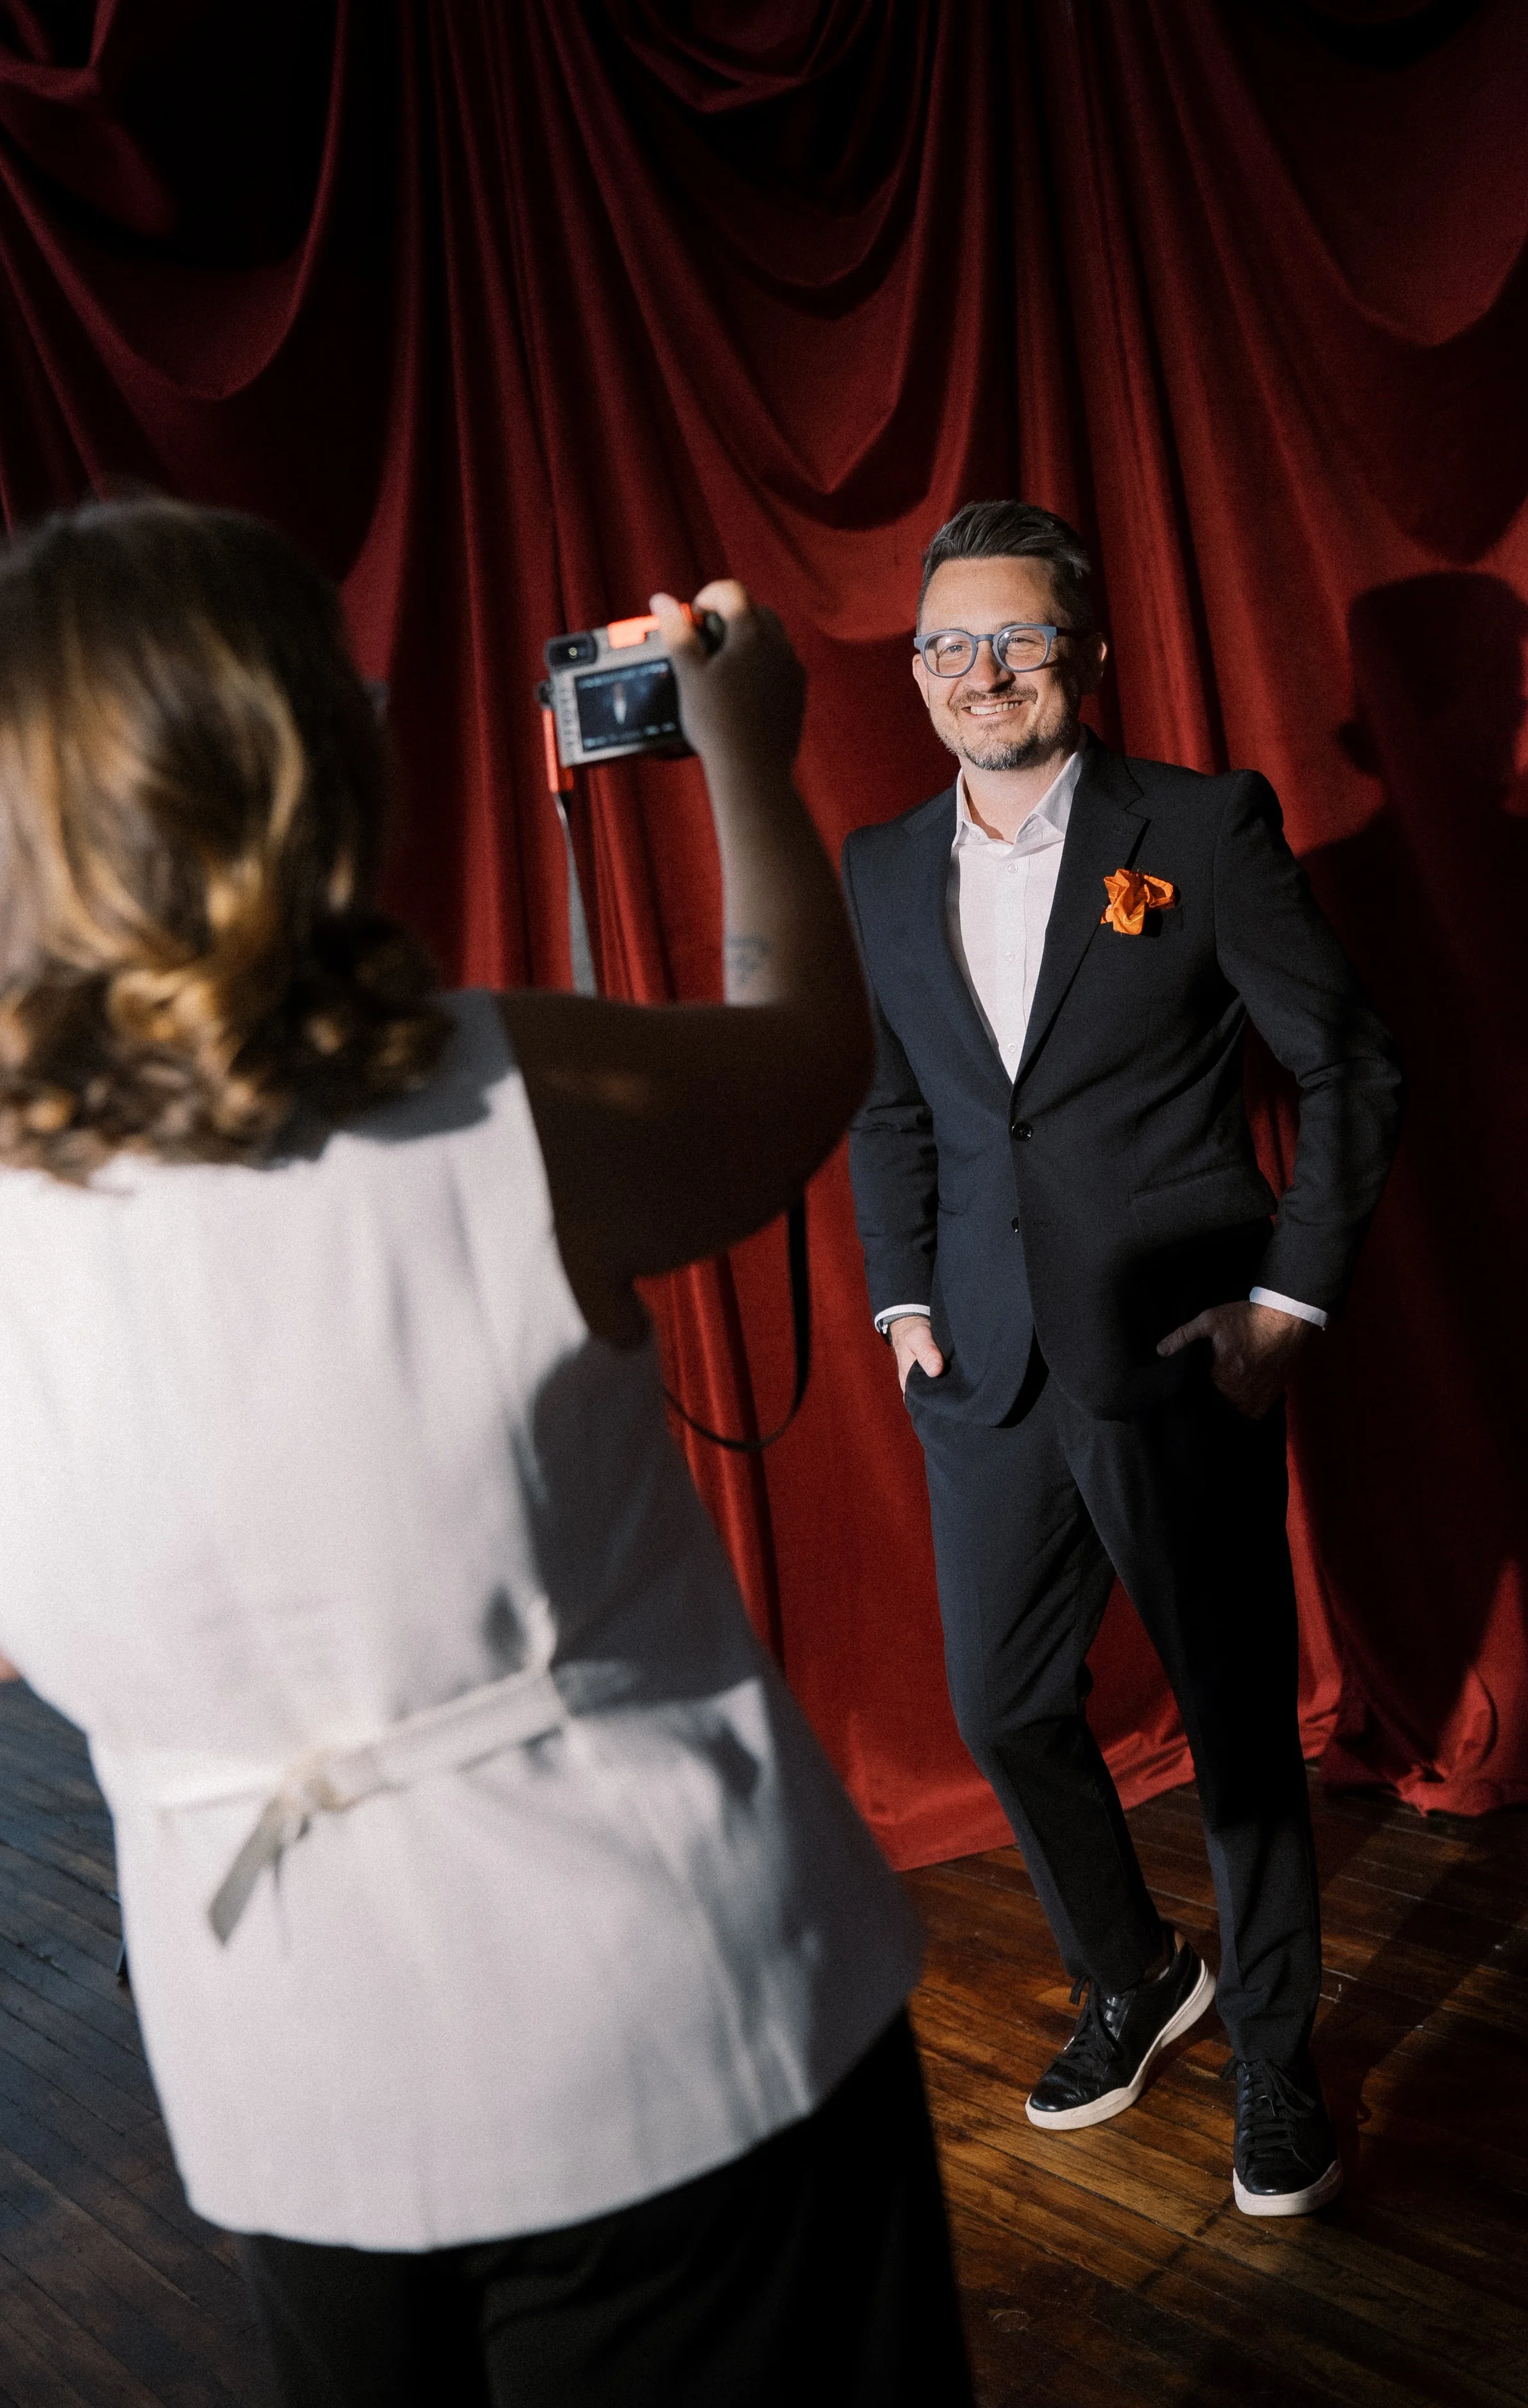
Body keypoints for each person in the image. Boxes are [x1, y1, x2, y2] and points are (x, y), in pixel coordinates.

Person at [0, 497, 974, 2406]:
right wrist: (745, 764)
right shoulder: (503, 1095)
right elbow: (802, 1059)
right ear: (305, 764)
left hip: (290, 2086)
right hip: (671, 2025)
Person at [842, 500, 1402, 2219]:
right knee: (1003, 1706)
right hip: (982, 1366)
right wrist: (901, 1299)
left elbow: (1348, 1069)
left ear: (1080, 651)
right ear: (919, 669)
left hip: (1174, 1348)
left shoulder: (1202, 823)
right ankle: (1128, 1971)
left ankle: (1275, 2054)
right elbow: (892, 1102)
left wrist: (1284, 1304)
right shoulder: (873, 867)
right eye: (948, 644)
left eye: (1013, 637)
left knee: (1235, 1720)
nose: (979, 670)